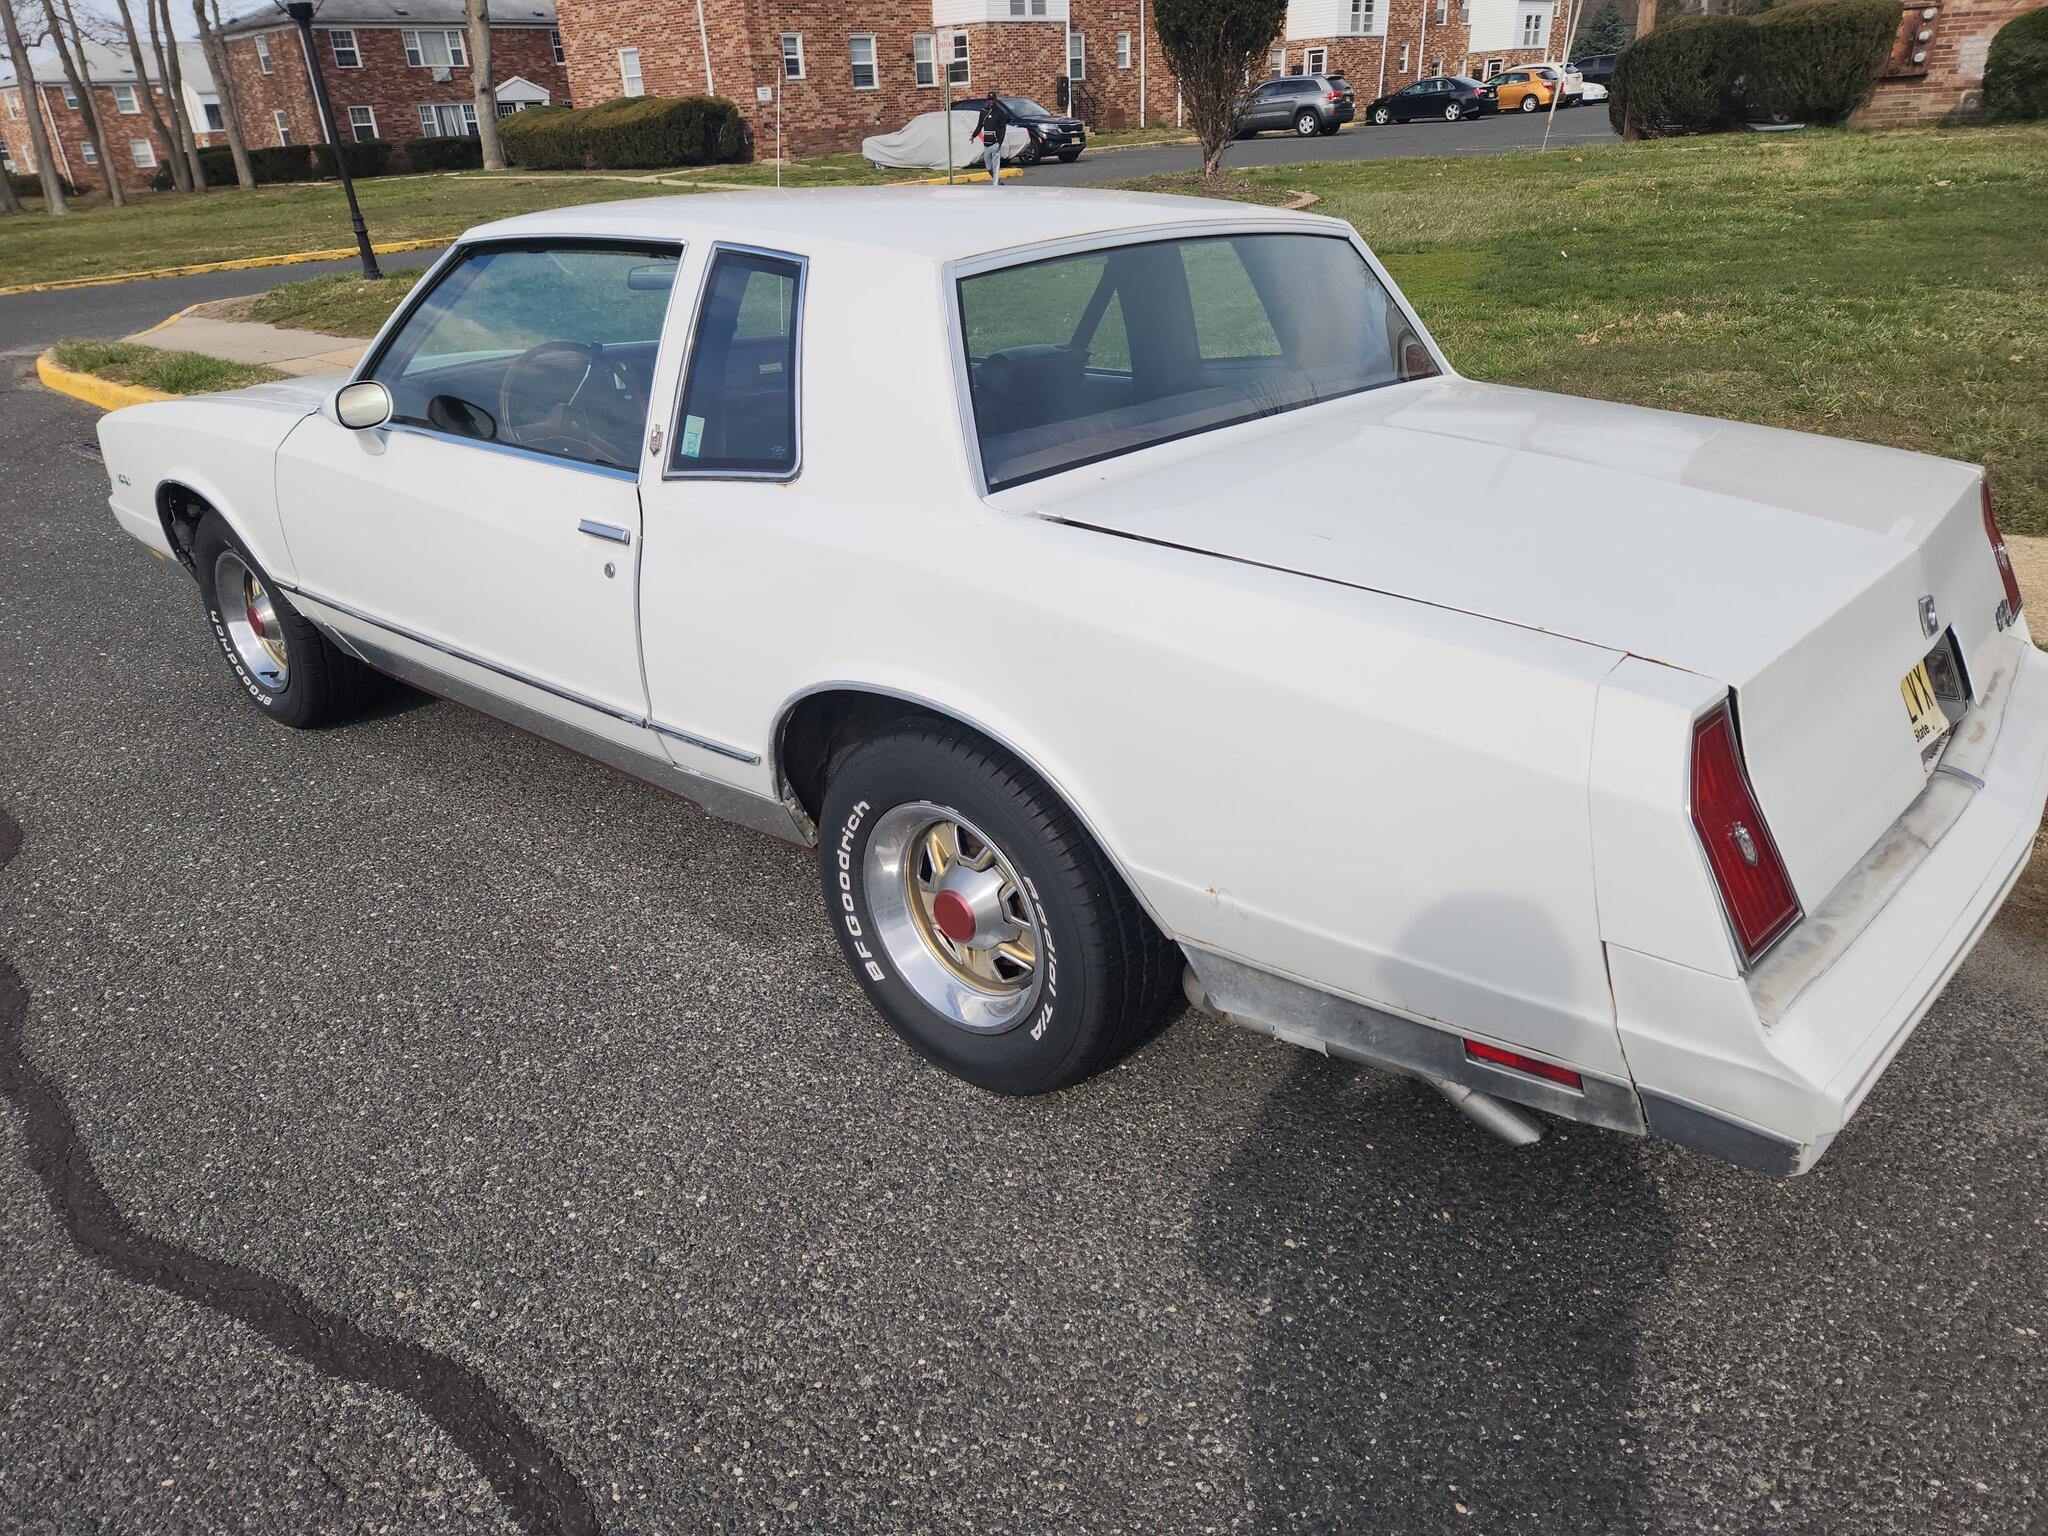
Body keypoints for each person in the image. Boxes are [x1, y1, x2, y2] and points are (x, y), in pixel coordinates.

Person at [974, 93, 1013, 186]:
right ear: (987, 100)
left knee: (995, 166)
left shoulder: (1000, 113)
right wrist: (973, 136)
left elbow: (1003, 128)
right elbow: (979, 125)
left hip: (995, 143)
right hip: (986, 143)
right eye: (989, 99)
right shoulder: (983, 111)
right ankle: (998, 182)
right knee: (988, 167)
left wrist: (1000, 142)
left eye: (993, 100)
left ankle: (995, 185)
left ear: (995, 100)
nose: (991, 101)